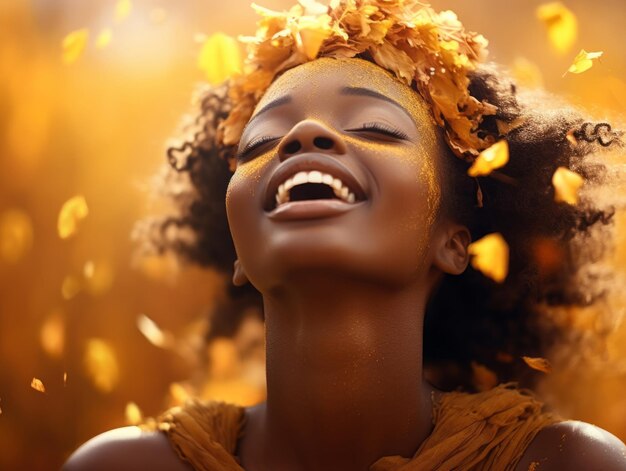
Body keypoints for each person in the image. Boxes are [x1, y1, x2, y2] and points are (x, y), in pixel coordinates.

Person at [64, 0, 626, 469]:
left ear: (455, 242)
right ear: (237, 245)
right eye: (259, 144)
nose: (305, 134)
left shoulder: (562, 463)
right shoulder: (122, 466)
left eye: (374, 127)